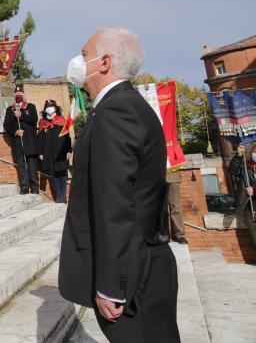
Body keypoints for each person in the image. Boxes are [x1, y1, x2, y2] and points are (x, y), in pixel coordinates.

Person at [58, 28, 178, 343]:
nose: (78, 61)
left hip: (131, 276)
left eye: (84, 55)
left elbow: (115, 203)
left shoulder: (116, 112)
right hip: (141, 265)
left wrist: (112, 285)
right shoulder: (122, 106)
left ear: (105, 62)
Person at [4, 84, 39, 194]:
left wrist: (22, 115)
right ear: (14, 95)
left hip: (30, 141)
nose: (18, 95)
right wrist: (15, 131)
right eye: (16, 93)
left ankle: (34, 187)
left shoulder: (30, 107)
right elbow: (7, 125)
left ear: (23, 94)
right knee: (21, 165)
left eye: (20, 93)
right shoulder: (10, 109)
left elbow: (34, 120)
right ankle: (24, 187)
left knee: (32, 166)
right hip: (18, 142)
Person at [37, 99, 71, 203]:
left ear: (55, 108)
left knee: (62, 173)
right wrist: (40, 152)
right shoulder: (42, 123)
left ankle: (63, 194)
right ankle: (58, 196)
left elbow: (67, 137)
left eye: (51, 106)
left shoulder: (61, 120)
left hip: (61, 152)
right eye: (47, 107)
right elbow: (40, 139)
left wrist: (69, 150)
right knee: (52, 174)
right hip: (48, 153)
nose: (49, 108)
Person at [228, 143, 256, 214]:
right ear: (250, 153)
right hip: (248, 203)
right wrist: (238, 156)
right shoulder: (245, 166)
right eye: (254, 152)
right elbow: (232, 171)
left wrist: (254, 191)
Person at [165, 169, 187, 243]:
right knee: (162, 208)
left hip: (173, 176)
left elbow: (179, 159)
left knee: (175, 207)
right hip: (157, 177)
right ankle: (165, 234)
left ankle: (180, 235)